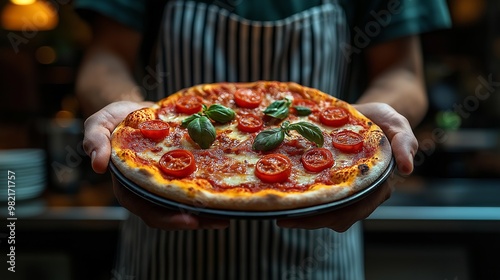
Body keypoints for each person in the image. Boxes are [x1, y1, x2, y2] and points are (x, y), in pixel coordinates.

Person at [75, 0, 451, 279]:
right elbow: (105, 58)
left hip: (319, 250)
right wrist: (138, 125)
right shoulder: (153, 139)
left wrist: (358, 128)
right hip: (166, 243)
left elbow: (403, 72)